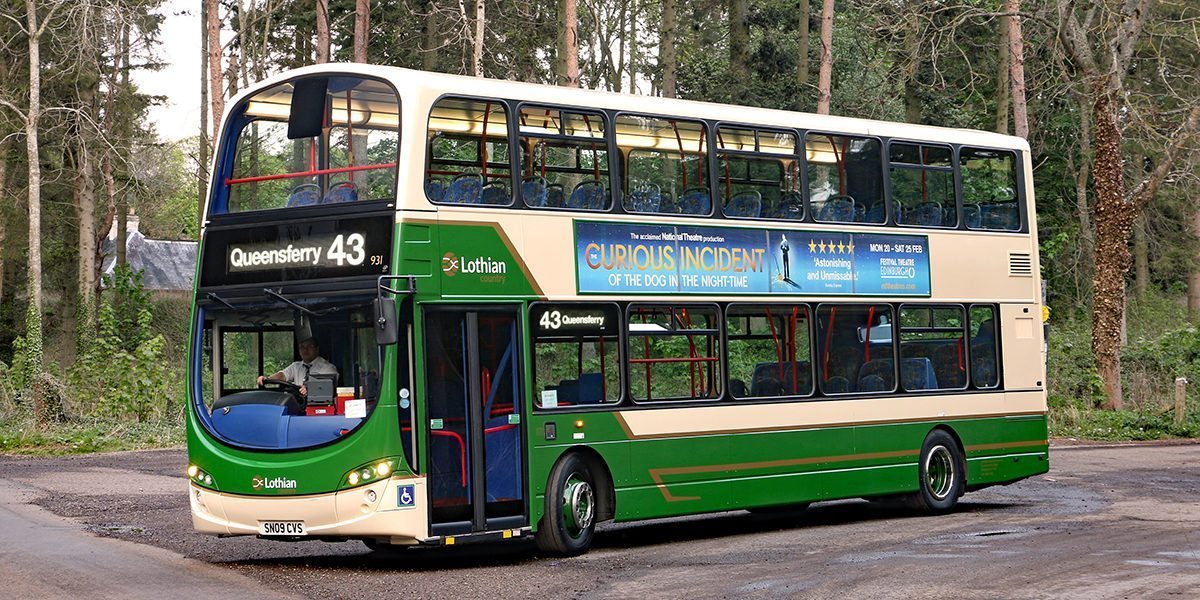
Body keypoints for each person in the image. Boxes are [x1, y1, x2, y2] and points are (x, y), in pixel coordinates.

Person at [258, 337, 338, 397]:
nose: (305, 350)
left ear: (317, 349)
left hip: (318, 407)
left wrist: (309, 388)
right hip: (297, 406)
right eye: (302, 347)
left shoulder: (328, 368)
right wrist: (267, 379)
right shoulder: (296, 366)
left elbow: (327, 388)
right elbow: (282, 375)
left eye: (309, 346)